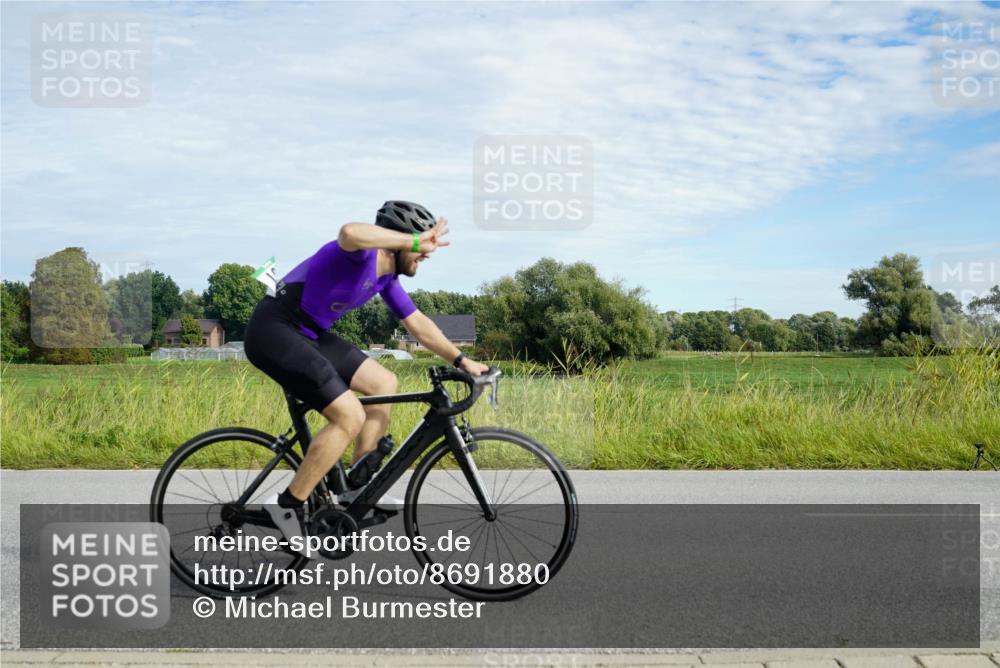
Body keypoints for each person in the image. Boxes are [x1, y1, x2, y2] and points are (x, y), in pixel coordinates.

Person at [243, 201, 489, 551]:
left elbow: (418, 324)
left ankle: (355, 489)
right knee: (349, 415)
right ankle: (287, 507)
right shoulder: (358, 256)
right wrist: (415, 242)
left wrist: (463, 360)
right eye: (419, 244)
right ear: (402, 240)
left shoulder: (386, 278)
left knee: (384, 383)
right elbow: (349, 232)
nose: (425, 254)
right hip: (274, 329)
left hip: (308, 333)